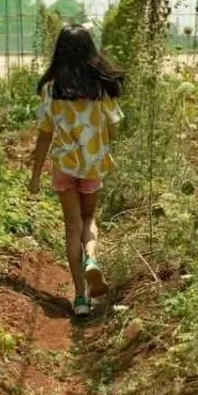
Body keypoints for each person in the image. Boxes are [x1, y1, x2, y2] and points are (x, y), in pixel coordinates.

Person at [28, 25, 125, 317]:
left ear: (59, 52)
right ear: (89, 52)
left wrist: (34, 177)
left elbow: (44, 136)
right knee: (89, 218)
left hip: (64, 166)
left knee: (71, 228)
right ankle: (92, 260)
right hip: (92, 165)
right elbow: (114, 127)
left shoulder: (50, 89)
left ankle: (80, 297)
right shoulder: (99, 88)